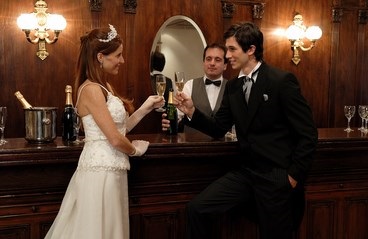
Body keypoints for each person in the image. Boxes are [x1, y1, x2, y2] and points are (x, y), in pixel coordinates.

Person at [169, 22, 318, 239]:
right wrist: (192, 111)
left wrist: (293, 177)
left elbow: (308, 134)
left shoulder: (281, 81)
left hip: (276, 176)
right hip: (246, 173)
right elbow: (219, 128)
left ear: (251, 50)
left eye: (232, 49)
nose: (227, 55)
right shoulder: (233, 87)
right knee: (197, 208)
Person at [45, 24, 164, 239]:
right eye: (118, 55)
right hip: (100, 173)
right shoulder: (91, 89)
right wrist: (135, 150)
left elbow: (122, 128)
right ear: (101, 57)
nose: (122, 60)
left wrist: (146, 107)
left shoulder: (105, 86)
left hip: (112, 170)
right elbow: (115, 139)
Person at [177, 43, 228, 132]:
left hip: (225, 144)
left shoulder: (232, 87)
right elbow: (178, 116)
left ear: (225, 65)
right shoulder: (190, 85)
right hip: (193, 143)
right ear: (203, 62)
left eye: (218, 60)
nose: (212, 63)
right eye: (208, 59)